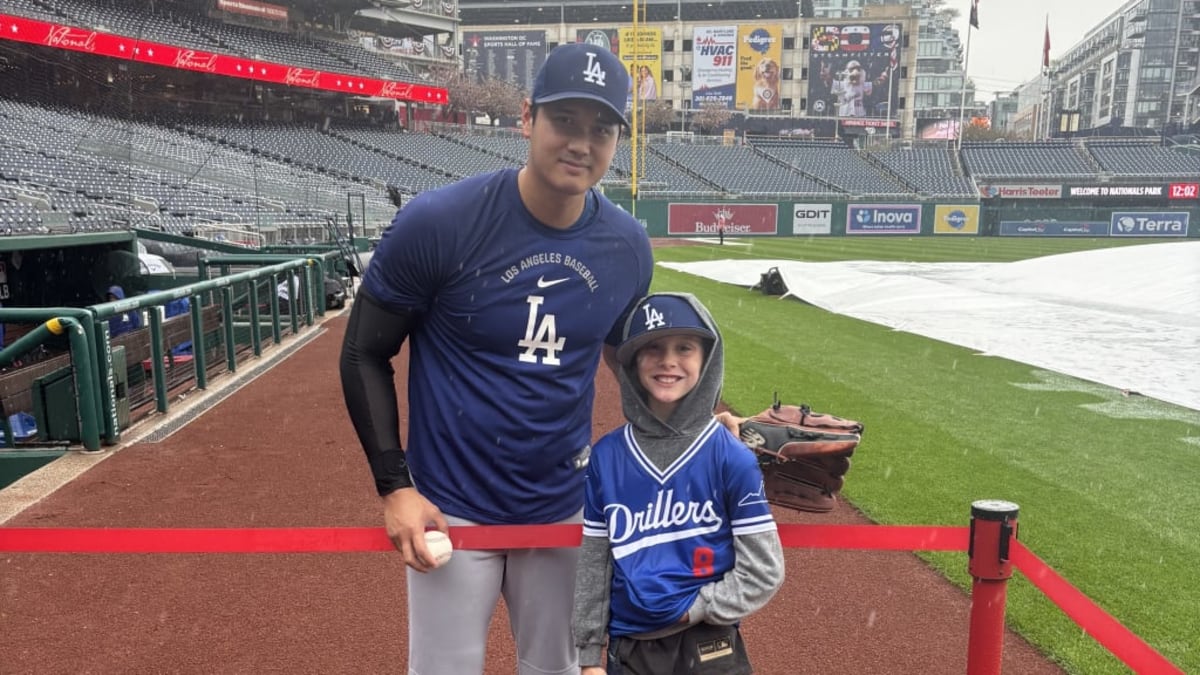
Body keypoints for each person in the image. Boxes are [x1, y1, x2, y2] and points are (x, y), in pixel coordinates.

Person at [339, 42, 653, 675]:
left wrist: (702, 434)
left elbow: (633, 366)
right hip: (452, 509)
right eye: (565, 120)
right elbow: (364, 351)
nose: (581, 143)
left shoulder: (626, 246)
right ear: (526, 116)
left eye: (601, 129)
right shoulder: (440, 222)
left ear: (617, 140)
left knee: (559, 673)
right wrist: (394, 487)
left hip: (564, 509)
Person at [573, 292, 785, 675]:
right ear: (632, 361)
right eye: (652, 348)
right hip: (630, 648)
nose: (668, 360)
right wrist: (589, 656)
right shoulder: (606, 456)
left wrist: (698, 607)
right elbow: (595, 560)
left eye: (684, 347)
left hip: (710, 644)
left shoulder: (729, 455)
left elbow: (764, 569)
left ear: (706, 358)